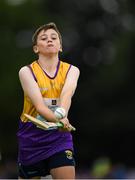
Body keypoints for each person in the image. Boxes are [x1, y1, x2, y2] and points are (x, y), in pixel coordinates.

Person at [17, 22, 80, 179]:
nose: (49, 40)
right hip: (31, 136)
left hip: (59, 137)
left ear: (60, 46)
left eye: (54, 38)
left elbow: (66, 95)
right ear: (36, 48)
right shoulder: (26, 71)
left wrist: (62, 117)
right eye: (44, 38)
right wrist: (59, 120)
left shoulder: (72, 70)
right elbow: (39, 106)